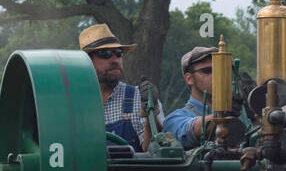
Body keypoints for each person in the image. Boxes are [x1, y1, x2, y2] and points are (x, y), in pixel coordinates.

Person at [79, 23, 157, 152]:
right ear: (86, 60)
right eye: (105, 53)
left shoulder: (140, 98)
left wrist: (151, 114)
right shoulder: (72, 105)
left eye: (118, 53)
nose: (115, 59)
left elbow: (153, 152)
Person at [163, 45, 217, 148]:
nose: (216, 75)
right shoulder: (174, 119)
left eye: (220, 70)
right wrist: (222, 116)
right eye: (207, 71)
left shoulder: (242, 115)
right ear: (189, 78)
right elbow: (189, 130)